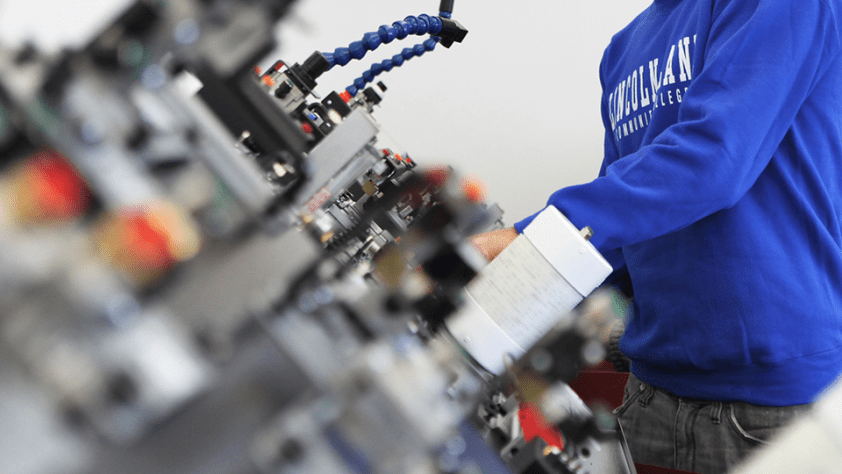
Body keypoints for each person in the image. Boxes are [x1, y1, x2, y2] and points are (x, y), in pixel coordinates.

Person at [470, 0, 842, 472]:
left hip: (771, 406)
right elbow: (627, 227)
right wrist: (504, 309)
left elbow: (713, 160)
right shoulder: (625, 48)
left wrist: (523, 238)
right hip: (650, 398)